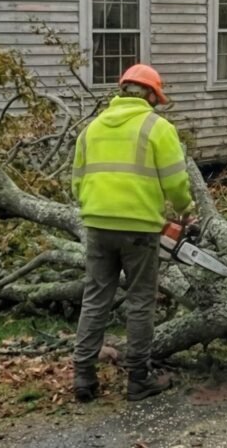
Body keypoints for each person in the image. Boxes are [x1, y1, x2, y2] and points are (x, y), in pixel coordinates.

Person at [71, 63, 193, 403]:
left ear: (122, 91)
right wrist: (184, 209)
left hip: (96, 224)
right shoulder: (157, 127)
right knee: (140, 301)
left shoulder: (91, 129)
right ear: (152, 96)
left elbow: (77, 181)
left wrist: (97, 208)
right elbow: (175, 181)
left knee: (95, 298)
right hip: (139, 228)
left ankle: (83, 375)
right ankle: (138, 378)